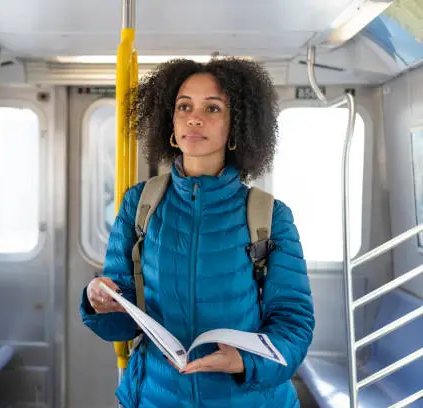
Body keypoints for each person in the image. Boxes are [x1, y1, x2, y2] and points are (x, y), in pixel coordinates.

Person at [80, 57, 315, 408]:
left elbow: (294, 324)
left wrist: (245, 362)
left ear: (236, 127)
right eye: (184, 106)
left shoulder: (270, 216)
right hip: (156, 397)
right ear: (170, 124)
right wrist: (98, 300)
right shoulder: (139, 204)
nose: (195, 117)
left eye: (213, 108)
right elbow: (122, 321)